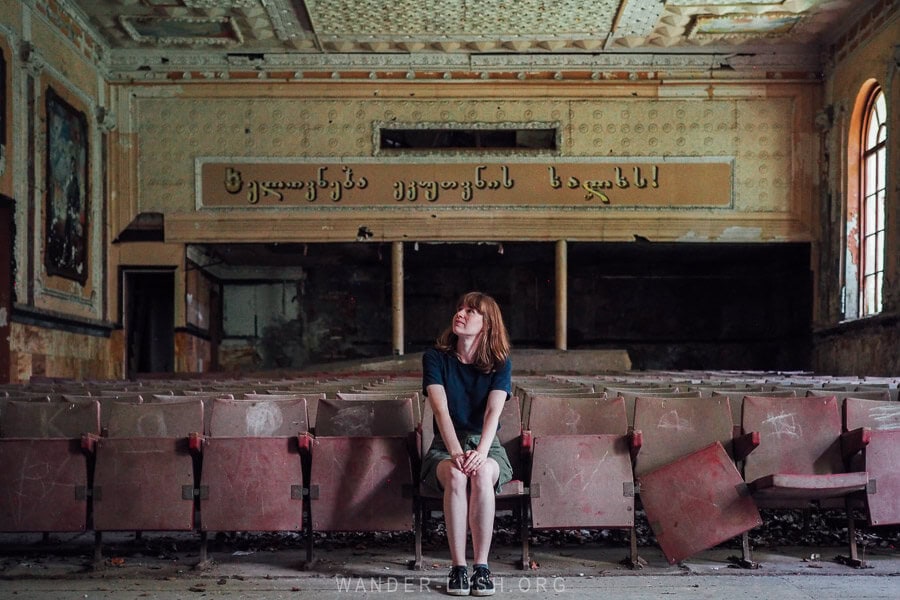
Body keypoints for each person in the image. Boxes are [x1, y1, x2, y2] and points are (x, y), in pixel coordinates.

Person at [420, 291, 513, 596]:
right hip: (446, 445)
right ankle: (459, 567)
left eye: (470, 311)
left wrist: (481, 453)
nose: (460, 314)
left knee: (483, 472)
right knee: (457, 475)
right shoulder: (435, 357)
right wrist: (458, 453)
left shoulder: (500, 362)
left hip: (487, 444)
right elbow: (440, 409)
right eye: (459, 308)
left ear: (486, 325)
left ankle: (482, 568)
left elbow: (493, 410)